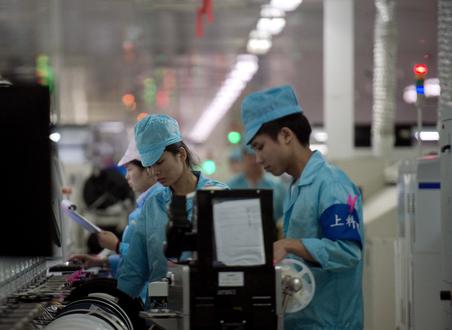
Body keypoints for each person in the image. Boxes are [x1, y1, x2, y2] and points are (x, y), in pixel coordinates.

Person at [240, 85, 364, 329]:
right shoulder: (296, 186)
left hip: (331, 323)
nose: (258, 159)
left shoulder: (331, 184)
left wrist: (290, 244)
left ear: (286, 135)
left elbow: (348, 252)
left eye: (260, 146)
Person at [117, 114, 229, 298]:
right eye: (149, 166)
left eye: (160, 162)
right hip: (162, 312)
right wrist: (117, 307)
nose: (155, 172)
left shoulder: (219, 196)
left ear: (181, 155)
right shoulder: (153, 206)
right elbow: (134, 270)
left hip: (209, 306)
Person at [70, 137, 163, 284]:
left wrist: (116, 246)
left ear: (148, 170)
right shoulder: (145, 205)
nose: (126, 176)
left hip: (148, 294)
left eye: (130, 169)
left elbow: (153, 259)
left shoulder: (158, 205)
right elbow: (135, 260)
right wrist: (101, 262)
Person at [226, 145, 288, 224]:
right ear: (243, 158)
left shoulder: (277, 186)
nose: (253, 161)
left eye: (256, 156)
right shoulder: (230, 186)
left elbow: (286, 214)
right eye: (249, 156)